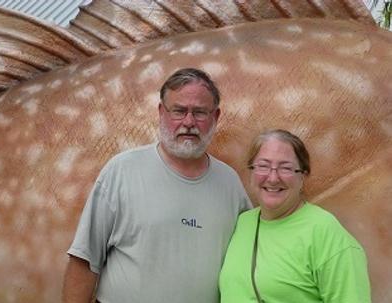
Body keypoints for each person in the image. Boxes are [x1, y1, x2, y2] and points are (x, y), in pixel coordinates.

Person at [62, 68, 251, 303]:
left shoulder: (230, 183)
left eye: (200, 112)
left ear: (216, 117)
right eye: (179, 111)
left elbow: (248, 267)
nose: (189, 122)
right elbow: (84, 260)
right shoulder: (122, 170)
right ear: (161, 112)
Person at [219, 129, 371, 303]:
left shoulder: (326, 232)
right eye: (263, 166)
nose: (273, 178)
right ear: (251, 172)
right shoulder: (243, 223)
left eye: (285, 168)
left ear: (303, 177)